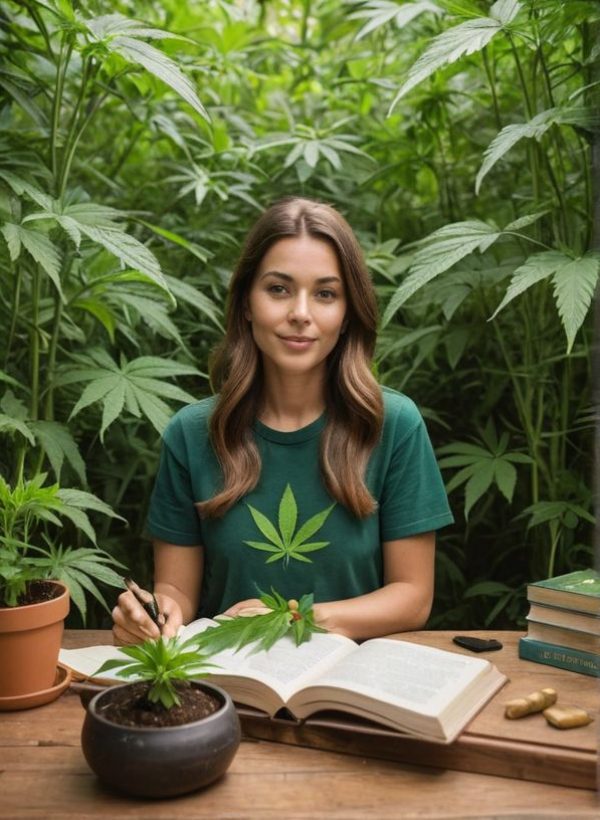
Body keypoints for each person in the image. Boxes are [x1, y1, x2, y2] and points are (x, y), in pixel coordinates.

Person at [112, 196, 453, 646]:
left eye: (326, 294)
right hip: (229, 683)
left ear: (348, 312)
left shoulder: (393, 425)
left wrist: (289, 620)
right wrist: (156, 613)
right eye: (278, 289)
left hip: (352, 689)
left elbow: (412, 598)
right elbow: (177, 591)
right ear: (247, 303)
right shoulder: (191, 434)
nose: (301, 313)